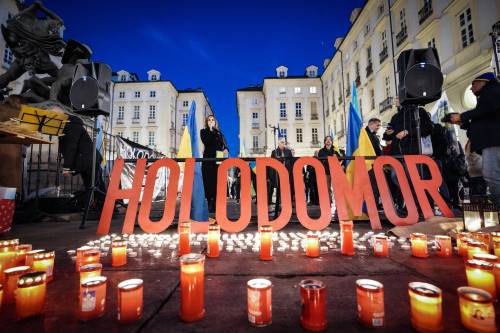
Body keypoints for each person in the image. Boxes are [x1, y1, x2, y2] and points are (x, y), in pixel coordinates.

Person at [449, 72, 500, 206]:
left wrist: (462, 116)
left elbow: (487, 109)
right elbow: (483, 121)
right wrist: (463, 123)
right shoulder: (488, 96)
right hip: (492, 141)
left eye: (473, 85)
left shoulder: (492, 91)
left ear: (483, 81)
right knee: (492, 176)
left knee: (492, 176)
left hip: (494, 142)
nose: (471, 89)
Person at [200, 115, 228, 213]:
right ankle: (210, 202)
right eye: (209, 120)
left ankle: (216, 202)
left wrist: (225, 150)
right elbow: (206, 142)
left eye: (213, 120)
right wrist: (211, 130)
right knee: (209, 182)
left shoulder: (219, 133)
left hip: (218, 160)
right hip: (208, 160)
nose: (211, 121)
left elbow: (225, 145)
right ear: (206, 122)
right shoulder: (204, 132)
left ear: (216, 122)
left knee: (217, 181)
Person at [269, 137, 294, 217]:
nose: (283, 144)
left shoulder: (288, 151)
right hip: (278, 174)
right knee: (279, 190)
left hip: (287, 173)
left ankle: (287, 204)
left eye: (284, 142)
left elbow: (291, 162)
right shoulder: (274, 152)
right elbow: (272, 164)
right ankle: (279, 204)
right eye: (282, 142)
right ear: (278, 143)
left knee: (287, 189)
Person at [317, 136, 340, 203]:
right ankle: (329, 201)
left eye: (330, 140)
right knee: (327, 188)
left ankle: (338, 202)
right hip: (326, 172)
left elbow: (341, 159)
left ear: (332, 142)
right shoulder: (321, 151)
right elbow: (319, 161)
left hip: (334, 172)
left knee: (337, 188)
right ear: (324, 142)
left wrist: (337, 157)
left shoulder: (335, 150)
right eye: (327, 140)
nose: (328, 141)